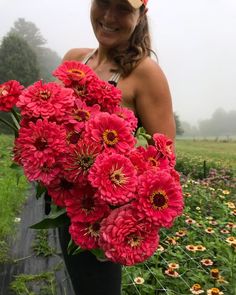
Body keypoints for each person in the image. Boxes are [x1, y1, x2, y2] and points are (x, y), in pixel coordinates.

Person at [58, 0, 176, 294]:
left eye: (123, 8)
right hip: (63, 207)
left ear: (141, 14)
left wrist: (120, 196)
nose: (109, 16)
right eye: (103, 2)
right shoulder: (75, 60)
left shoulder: (145, 74)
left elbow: (164, 160)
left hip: (101, 223)